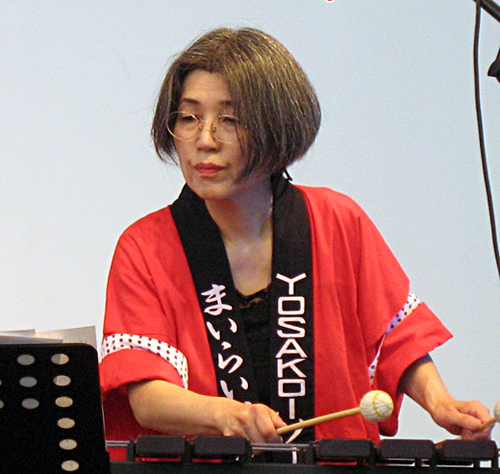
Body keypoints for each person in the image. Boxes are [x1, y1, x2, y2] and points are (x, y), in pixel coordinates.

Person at [99, 27, 492, 460]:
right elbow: (146, 394)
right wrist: (227, 415)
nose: (204, 141)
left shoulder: (337, 221)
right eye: (189, 118)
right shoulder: (145, 246)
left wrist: (441, 403)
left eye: (230, 120)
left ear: (277, 127)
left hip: (337, 464)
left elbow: (394, 340)